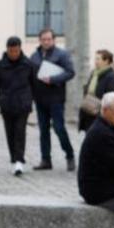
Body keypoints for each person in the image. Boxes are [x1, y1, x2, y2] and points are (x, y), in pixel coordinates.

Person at [30, 28, 76, 171]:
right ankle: (46, 160)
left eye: (49, 39)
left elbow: (70, 72)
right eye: (43, 39)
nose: (46, 42)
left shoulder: (61, 55)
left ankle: (69, 155)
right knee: (43, 130)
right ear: (40, 40)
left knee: (59, 128)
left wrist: (53, 79)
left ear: (54, 40)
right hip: (40, 98)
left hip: (56, 98)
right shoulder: (34, 56)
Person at [77, 93, 114, 211]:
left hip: (110, 188)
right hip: (102, 194)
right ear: (105, 111)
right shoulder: (102, 134)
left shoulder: (111, 128)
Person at [0, 36, 34, 177]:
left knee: (20, 132)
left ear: (20, 49)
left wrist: (28, 99)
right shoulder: (0, 65)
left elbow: (33, 83)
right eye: (11, 51)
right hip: (7, 104)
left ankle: (19, 160)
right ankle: (13, 158)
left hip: (22, 104)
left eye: (16, 51)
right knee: (10, 133)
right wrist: (3, 97)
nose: (14, 53)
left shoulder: (27, 64)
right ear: (7, 50)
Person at [78, 49, 114, 132]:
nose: (95, 61)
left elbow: (112, 98)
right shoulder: (94, 73)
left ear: (106, 61)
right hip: (89, 113)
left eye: (98, 59)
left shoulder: (111, 77)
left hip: (100, 115)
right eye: (95, 59)